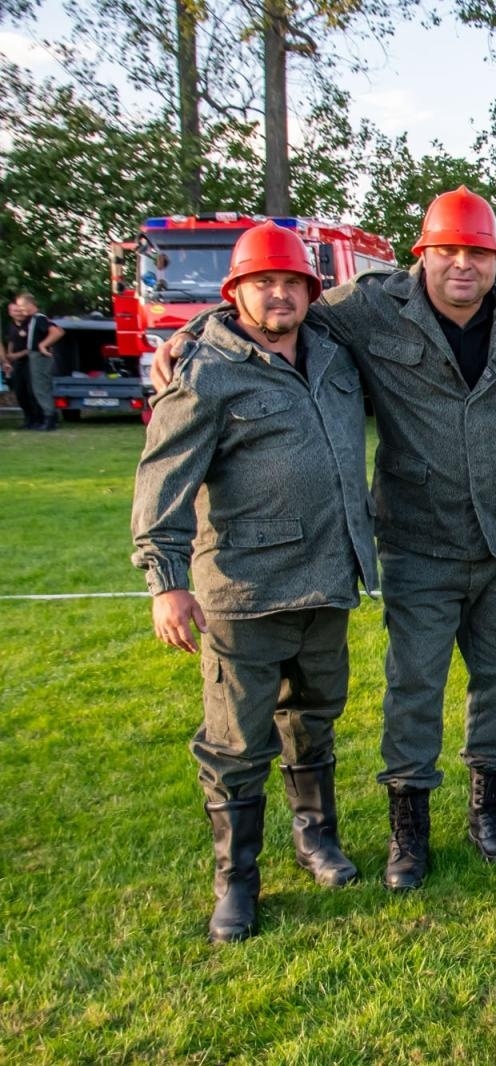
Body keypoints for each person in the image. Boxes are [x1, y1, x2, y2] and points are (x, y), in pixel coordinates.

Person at [154, 189, 496, 891]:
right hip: (418, 534)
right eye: (447, 251)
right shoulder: (367, 308)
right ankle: (410, 830)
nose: (463, 265)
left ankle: (490, 815)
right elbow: (274, 306)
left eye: (479, 253)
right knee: (414, 686)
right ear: (420, 255)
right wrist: (202, 332)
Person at [131, 222, 376, 942]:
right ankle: (236, 879)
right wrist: (166, 581)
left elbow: (385, 291)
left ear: (310, 289)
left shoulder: (333, 351)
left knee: (314, 715)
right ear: (234, 293)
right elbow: (162, 478)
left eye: (292, 282)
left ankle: (315, 838)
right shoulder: (203, 369)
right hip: (244, 588)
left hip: (330, 577)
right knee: (237, 743)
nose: (279, 294)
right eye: (262, 283)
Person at [8, 293, 64, 430]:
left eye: (22, 306)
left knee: (41, 388)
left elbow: (57, 332)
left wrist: (42, 345)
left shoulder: (39, 318)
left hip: (39, 356)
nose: (20, 309)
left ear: (29, 305)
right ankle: (44, 419)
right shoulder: (32, 319)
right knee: (37, 388)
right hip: (33, 356)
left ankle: (50, 419)